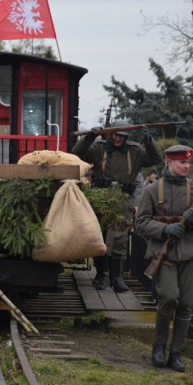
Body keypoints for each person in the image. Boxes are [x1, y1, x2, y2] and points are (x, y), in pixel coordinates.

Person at [136, 145, 193, 372]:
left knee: (186, 303)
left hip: (190, 251)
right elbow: (141, 223)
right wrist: (165, 230)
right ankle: (159, 346)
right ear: (169, 163)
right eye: (181, 162)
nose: (186, 166)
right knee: (168, 297)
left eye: (188, 163)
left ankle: (176, 353)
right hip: (163, 250)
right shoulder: (152, 190)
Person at [72, 119, 164, 292]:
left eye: (121, 136)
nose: (117, 139)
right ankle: (101, 274)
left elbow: (156, 158)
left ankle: (117, 277)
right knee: (101, 236)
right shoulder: (99, 148)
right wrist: (89, 138)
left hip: (123, 199)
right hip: (102, 198)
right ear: (109, 134)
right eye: (114, 135)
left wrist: (149, 140)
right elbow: (77, 154)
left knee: (120, 238)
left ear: (126, 136)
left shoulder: (135, 151)